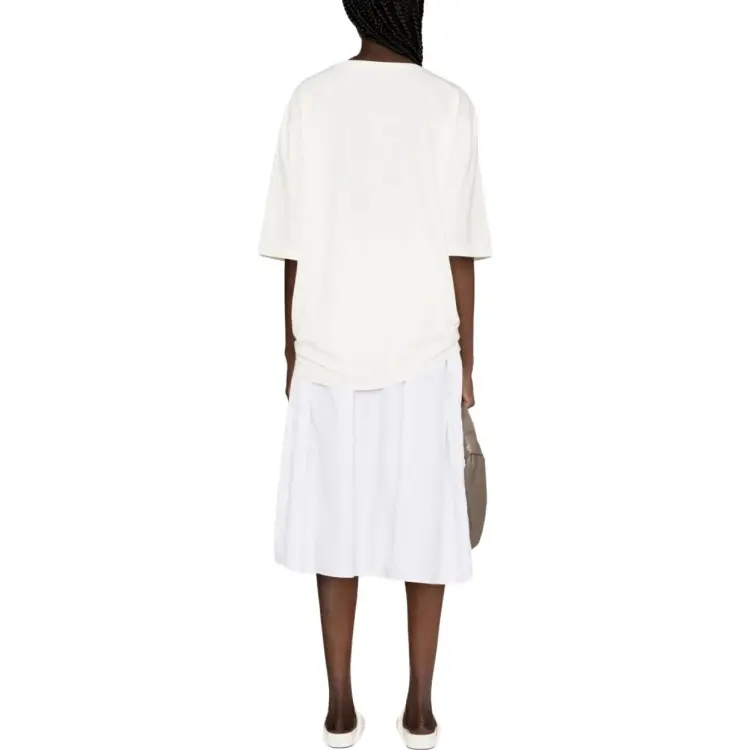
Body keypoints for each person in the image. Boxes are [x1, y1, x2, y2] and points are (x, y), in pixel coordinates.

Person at [258, 1, 491, 747]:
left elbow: (291, 242)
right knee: (429, 527)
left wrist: (290, 346)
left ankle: (339, 708)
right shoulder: (449, 104)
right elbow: (461, 246)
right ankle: (420, 708)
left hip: (328, 341)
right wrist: (468, 359)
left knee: (334, 527)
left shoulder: (309, 99)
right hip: (424, 345)